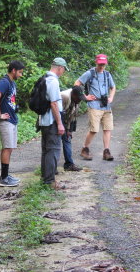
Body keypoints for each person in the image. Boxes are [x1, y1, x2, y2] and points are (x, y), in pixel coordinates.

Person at [74, 54, 116, 161]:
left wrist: (111, 97)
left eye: (103, 64)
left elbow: (113, 87)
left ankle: (106, 151)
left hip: (106, 105)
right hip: (94, 105)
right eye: (100, 64)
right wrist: (84, 97)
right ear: (96, 62)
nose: (101, 66)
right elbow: (77, 84)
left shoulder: (107, 75)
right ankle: (85, 149)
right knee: (94, 130)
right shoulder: (90, 73)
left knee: (108, 128)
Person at [0, 60, 25, 187]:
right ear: (13, 71)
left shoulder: (12, 83)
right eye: (20, 72)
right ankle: (4, 178)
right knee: (7, 147)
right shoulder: (4, 82)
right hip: (4, 120)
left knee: (10, 147)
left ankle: (6, 175)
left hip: (11, 119)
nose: (21, 75)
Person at [39, 57, 68, 190]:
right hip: (51, 121)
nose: (63, 72)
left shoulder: (44, 79)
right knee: (53, 150)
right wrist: (60, 123)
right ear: (59, 68)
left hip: (43, 119)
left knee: (46, 150)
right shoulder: (53, 81)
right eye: (63, 70)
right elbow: (54, 103)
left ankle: (45, 177)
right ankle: (50, 181)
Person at [60, 86, 86, 172]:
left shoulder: (76, 100)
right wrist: (61, 127)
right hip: (55, 120)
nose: (80, 100)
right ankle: (51, 168)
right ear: (73, 95)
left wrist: (69, 130)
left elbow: (73, 116)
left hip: (64, 119)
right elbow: (58, 113)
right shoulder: (64, 97)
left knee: (67, 139)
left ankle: (69, 164)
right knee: (55, 144)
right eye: (79, 98)